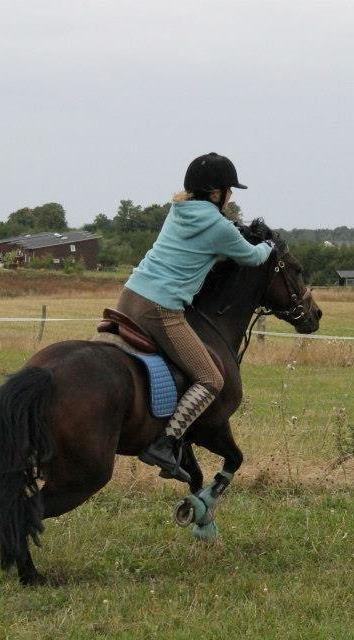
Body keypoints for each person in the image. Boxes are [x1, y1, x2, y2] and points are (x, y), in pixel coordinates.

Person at [116, 152, 274, 482]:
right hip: (159, 309)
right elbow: (251, 257)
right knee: (211, 379)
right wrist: (270, 246)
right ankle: (165, 442)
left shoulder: (178, 211)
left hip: (128, 298)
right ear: (217, 193)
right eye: (229, 190)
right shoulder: (219, 226)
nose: (231, 196)